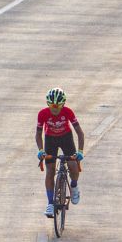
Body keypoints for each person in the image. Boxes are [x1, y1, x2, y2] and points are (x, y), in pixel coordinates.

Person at [36, 88, 85, 218]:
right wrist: (41, 150)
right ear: (48, 104)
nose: (55, 109)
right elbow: (38, 134)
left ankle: (74, 187)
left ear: (63, 104)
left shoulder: (68, 112)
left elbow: (80, 133)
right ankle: (50, 203)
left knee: (73, 166)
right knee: (50, 171)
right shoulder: (42, 114)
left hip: (66, 138)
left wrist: (80, 151)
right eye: (52, 106)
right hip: (50, 139)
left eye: (58, 106)